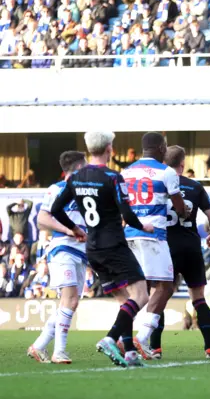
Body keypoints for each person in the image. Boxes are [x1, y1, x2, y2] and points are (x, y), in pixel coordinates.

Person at [50, 131, 155, 367]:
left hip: (93, 248)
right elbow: (126, 213)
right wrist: (143, 227)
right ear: (109, 148)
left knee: (125, 301)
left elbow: (56, 209)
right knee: (141, 296)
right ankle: (110, 338)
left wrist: (74, 228)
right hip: (114, 245)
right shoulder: (113, 177)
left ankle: (129, 352)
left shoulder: (75, 177)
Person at [148, 146, 210, 360]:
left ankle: (156, 348)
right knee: (198, 298)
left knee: (158, 296)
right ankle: (209, 348)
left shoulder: (157, 185)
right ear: (183, 164)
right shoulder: (195, 186)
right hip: (190, 247)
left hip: (164, 247)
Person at [120, 132, 187, 360]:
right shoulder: (166, 172)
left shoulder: (126, 172)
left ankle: (125, 337)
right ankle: (141, 336)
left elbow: (121, 206)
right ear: (160, 147)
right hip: (154, 235)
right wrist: (184, 210)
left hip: (129, 234)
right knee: (165, 286)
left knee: (140, 290)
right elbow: (179, 208)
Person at [28, 151, 87, 365]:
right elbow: (42, 219)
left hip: (82, 252)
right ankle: (59, 351)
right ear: (79, 167)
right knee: (69, 300)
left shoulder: (86, 191)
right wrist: (69, 230)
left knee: (70, 303)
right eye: (86, 165)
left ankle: (39, 346)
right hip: (63, 248)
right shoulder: (57, 189)